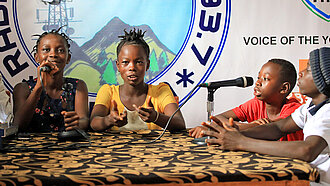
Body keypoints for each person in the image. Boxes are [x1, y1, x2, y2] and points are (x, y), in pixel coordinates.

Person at [201, 47, 330, 185]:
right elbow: (278, 127)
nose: (301, 73)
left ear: (323, 79)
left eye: (309, 69)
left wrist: (241, 142)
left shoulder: (327, 111)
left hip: (319, 182)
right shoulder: (311, 106)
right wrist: (236, 134)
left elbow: (307, 150)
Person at [90, 29, 185, 132]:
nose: (132, 68)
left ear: (147, 65)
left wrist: (156, 117)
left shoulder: (161, 91)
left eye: (139, 62)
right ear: (118, 65)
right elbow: (94, 123)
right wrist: (109, 120)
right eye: (125, 62)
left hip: (152, 148)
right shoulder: (108, 91)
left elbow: (179, 124)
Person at [190, 59, 304, 141]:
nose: (258, 82)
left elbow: (269, 129)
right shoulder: (257, 104)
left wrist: (235, 126)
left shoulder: (295, 110)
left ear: (283, 88)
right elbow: (218, 118)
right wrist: (209, 126)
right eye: (258, 77)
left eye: (265, 79)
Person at [12, 29, 89, 132]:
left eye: (60, 50)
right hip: (32, 147)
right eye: (46, 50)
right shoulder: (22, 88)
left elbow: (84, 119)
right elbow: (18, 126)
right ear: (36, 57)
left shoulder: (78, 86)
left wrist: (77, 123)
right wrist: (39, 87)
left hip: (68, 146)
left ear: (68, 58)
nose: (53, 54)